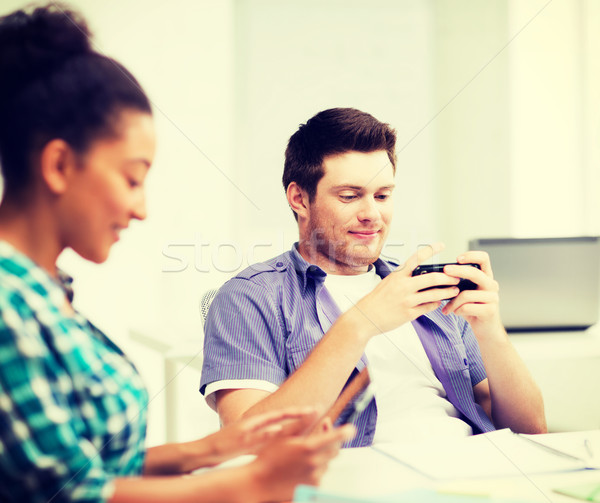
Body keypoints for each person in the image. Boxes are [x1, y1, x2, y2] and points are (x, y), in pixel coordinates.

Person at [0, 5, 354, 503]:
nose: (141, 209)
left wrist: (208, 450)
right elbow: (71, 493)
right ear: (59, 164)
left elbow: (81, 461)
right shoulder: (8, 303)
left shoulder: (46, 291)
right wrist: (250, 482)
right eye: (131, 178)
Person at [200, 107, 547, 447]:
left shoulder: (426, 290)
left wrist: (490, 331)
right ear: (299, 199)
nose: (372, 214)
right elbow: (244, 443)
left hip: (472, 473)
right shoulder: (250, 298)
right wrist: (361, 323)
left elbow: (531, 431)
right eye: (350, 196)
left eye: (382, 196)